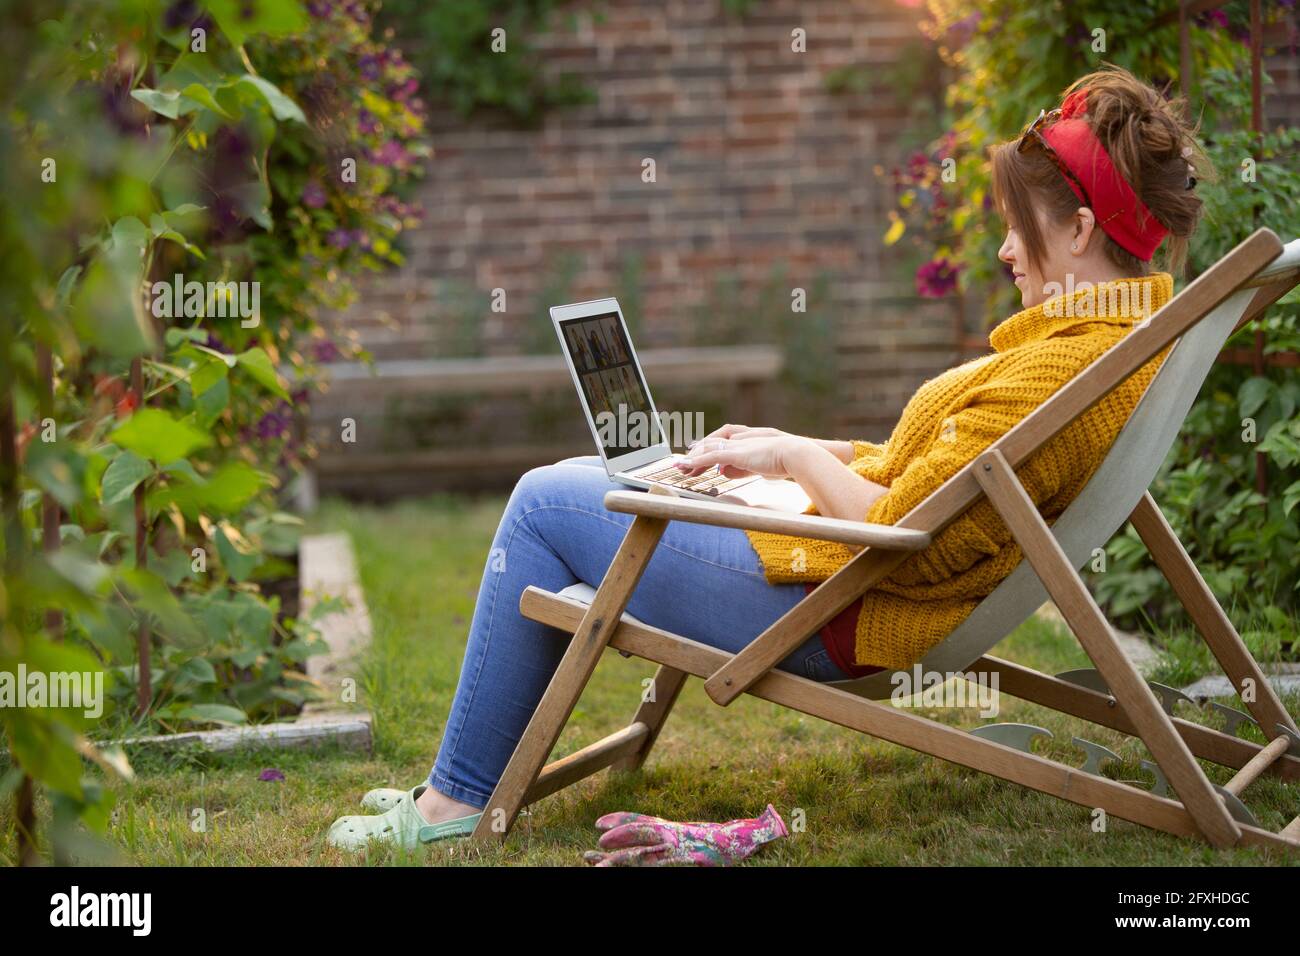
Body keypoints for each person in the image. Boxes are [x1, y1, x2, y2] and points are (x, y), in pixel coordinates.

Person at [327, 65, 1208, 850]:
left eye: (1018, 228)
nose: (1006, 249)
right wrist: (790, 456)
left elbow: (907, 528)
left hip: (829, 609)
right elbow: (934, 479)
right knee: (612, 482)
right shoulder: (1112, 345)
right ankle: (466, 778)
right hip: (845, 578)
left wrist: (789, 454)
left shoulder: (1062, 367)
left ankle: (453, 802)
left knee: (543, 502)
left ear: (1083, 228)